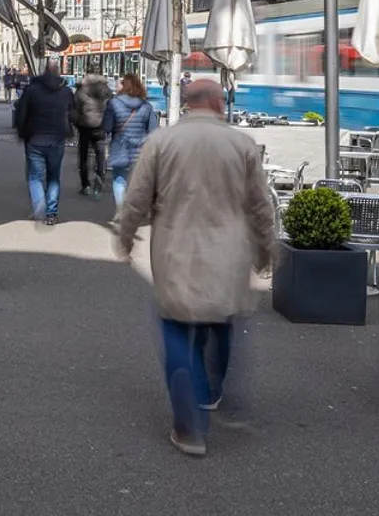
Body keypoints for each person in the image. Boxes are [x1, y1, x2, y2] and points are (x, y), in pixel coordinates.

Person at [114, 80, 276, 457]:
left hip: (176, 252)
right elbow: (260, 206)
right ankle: (212, 391)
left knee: (176, 329)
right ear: (218, 103)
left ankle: (188, 427)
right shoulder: (241, 144)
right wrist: (266, 251)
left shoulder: (161, 142)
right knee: (220, 321)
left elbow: (136, 198)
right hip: (229, 254)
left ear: (187, 104)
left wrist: (125, 237)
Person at [13, 60, 75, 224]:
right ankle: (51, 213)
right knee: (54, 177)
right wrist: (69, 130)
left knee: (35, 177)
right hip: (57, 138)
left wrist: (22, 132)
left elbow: (21, 113)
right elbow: (73, 114)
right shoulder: (66, 91)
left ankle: (39, 206)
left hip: (35, 137)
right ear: (58, 72)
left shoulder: (32, 89)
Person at [103, 72, 159, 211]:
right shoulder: (146, 106)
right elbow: (154, 130)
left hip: (120, 147)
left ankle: (122, 212)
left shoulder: (113, 104)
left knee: (119, 180)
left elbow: (107, 127)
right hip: (141, 150)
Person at [74, 69, 113, 198]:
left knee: (84, 157)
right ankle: (98, 184)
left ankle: (85, 185)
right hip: (100, 128)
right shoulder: (106, 91)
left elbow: (76, 109)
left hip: (84, 128)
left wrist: (77, 123)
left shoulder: (81, 91)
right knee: (100, 157)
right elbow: (110, 108)